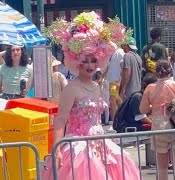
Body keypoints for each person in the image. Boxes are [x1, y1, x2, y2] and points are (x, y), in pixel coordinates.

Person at [41, 11, 141, 180]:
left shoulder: (96, 86)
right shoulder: (71, 88)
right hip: (77, 146)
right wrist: (56, 149)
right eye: (84, 61)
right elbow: (60, 121)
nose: (89, 65)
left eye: (93, 60)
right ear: (76, 61)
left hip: (100, 143)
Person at [140, 59, 175, 180]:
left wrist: (154, 105)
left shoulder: (151, 88)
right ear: (171, 70)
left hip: (158, 125)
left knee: (162, 168)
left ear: (156, 72)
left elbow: (143, 109)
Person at [107, 48, 124, 122]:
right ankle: (119, 121)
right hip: (111, 81)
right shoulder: (110, 53)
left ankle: (115, 122)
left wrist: (120, 80)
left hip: (116, 81)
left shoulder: (119, 52)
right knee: (116, 102)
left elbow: (123, 66)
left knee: (113, 101)